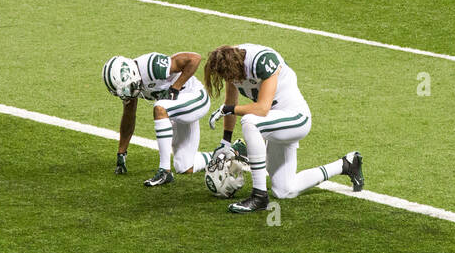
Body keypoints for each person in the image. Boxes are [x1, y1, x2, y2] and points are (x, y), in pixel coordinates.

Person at [203, 44, 363, 214]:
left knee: (250, 121)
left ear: (236, 64)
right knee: (285, 190)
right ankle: (347, 164)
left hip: (295, 118)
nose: (228, 79)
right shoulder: (230, 64)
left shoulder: (262, 60)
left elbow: (262, 109)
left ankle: (259, 196)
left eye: (228, 75)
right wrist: (225, 142)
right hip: (275, 123)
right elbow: (231, 104)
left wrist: (229, 111)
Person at [103, 52, 213, 186]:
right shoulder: (132, 83)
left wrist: (175, 88)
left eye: (129, 88)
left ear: (131, 73)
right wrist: (121, 152)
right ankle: (221, 155)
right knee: (184, 166)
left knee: (160, 108)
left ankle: (164, 171)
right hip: (177, 109)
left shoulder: (151, 66)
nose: (129, 93)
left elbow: (195, 58)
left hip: (196, 98)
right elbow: (129, 116)